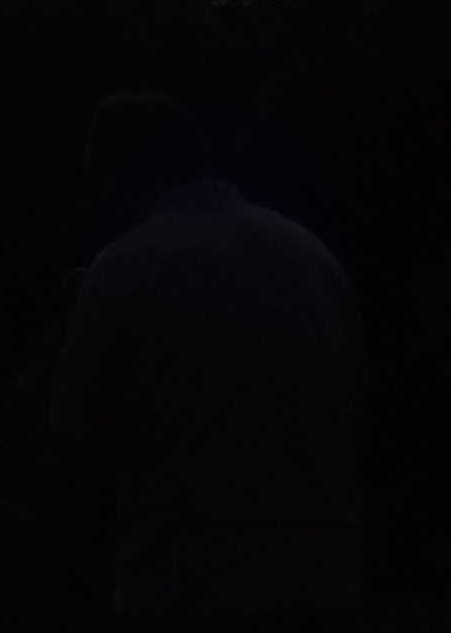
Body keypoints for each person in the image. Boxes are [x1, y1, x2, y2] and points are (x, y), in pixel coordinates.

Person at [51, 92, 366, 632]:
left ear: (120, 176)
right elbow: (356, 407)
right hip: (324, 580)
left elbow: (79, 435)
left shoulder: (126, 266)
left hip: (183, 583)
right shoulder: (311, 254)